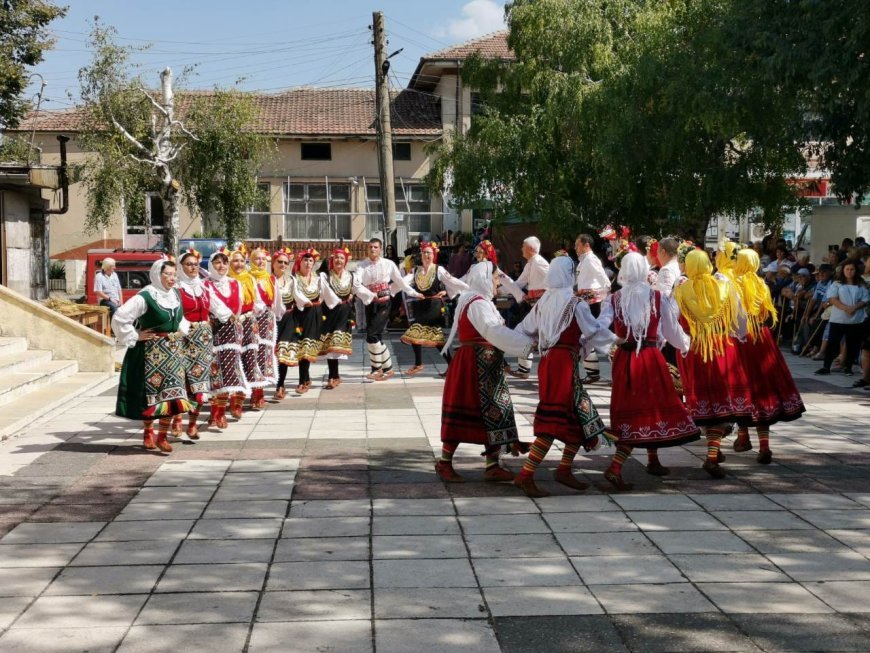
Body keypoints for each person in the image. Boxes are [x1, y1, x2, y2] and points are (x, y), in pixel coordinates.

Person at [511, 256, 615, 497]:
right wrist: (616, 341)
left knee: (576, 415)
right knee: (554, 419)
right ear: (569, 276)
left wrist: (533, 346)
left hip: (547, 363)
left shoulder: (543, 302)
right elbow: (594, 331)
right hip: (563, 365)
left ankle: (565, 468)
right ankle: (526, 474)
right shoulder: (575, 304)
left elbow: (523, 330)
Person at [602, 253, 700, 490]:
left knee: (633, 410)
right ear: (645, 269)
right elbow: (672, 329)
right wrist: (686, 346)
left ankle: (653, 460)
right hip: (649, 359)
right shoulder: (656, 297)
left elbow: (599, 327)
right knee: (647, 410)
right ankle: (615, 467)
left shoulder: (615, 298)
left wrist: (610, 341)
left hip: (625, 360)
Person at [436, 261, 534, 483]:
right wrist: (526, 345)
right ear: (484, 278)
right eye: (496, 277)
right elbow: (494, 331)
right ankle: (444, 463)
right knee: (467, 410)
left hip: (483, 363)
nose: (498, 281)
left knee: (494, 411)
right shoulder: (477, 303)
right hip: (475, 364)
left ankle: (492, 465)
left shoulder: (475, 300)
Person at [674, 249, 754, 479]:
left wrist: (681, 344)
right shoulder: (725, 287)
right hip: (721, 348)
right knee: (721, 404)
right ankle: (712, 454)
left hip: (695, 349)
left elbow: (671, 320)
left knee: (705, 403)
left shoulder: (681, 289)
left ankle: (713, 453)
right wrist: (739, 335)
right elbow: (740, 320)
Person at [730, 249, 806, 463]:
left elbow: (734, 316)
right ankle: (764, 445)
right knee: (763, 389)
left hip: (741, 340)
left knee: (742, 388)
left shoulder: (734, 284)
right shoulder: (761, 284)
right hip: (762, 339)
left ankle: (743, 436)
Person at [113, 258, 192, 453]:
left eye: (174, 274)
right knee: (150, 395)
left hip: (172, 352)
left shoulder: (175, 294)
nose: (172, 278)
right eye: (168, 274)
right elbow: (120, 317)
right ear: (157, 274)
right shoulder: (145, 296)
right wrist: (135, 335)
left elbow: (179, 318)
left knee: (173, 395)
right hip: (150, 353)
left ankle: (162, 436)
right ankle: (148, 432)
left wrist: (185, 332)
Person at [173, 248, 233, 440]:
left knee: (201, 384)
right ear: (181, 267)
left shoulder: (203, 287)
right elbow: (173, 313)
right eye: (189, 264)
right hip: (183, 338)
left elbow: (218, 307)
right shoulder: (176, 289)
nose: (193, 268)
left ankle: (192, 424)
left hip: (203, 340)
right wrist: (185, 327)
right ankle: (176, 420)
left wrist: (231, 316)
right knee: (181, 381)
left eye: (195, 264)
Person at [356, 238, 422, 380]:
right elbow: (356, 283)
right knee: (377, 336)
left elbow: (400, 282)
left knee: (371, 334)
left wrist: (415, 293)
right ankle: (389, 368)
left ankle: (376, 368)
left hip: (385, 302)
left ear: (380, 249)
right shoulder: (362, 265)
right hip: (369, 302)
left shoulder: (388, 264)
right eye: (370, 247)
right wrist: (368, 293)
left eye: (375, 247)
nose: (373, 249)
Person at [400, 241, 467, 375]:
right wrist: (389, 288)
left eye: (429, 253)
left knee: (414, 331)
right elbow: (402, 282)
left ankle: (419, 364)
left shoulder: (439, 269)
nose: (426, 255)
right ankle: (451, 365)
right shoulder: (416, 270)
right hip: (420, 305)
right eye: (424, 252)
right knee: (437, 339)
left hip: (434, 306)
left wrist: (452, 291)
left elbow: (452, 282)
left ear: (434, 254)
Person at [204, 249, 248, 428]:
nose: (221, 266)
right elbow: (212, 306)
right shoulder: (205, 284)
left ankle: (220, 412)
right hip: (213, 329)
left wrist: (235, 321)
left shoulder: (235, 283)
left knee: (229, 369)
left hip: (232, 330)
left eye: (224, 262)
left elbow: (239, 305)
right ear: (211, 265)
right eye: (217, 262)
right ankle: (215, 411)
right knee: (214, 370)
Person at [320, 247, 374, 388]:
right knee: (330, 345)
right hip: (329, 312)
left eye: (341, 258)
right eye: (336, 257)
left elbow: (359, 289)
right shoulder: (326, 276)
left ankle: (333, 376)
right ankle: (334, 376)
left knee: (336, 343)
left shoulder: (351, 276)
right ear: (332, 259)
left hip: (344, 312)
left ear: (345, 261)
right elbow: (323, 292)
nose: (339, 260)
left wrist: (371, 295)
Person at [228, 245, 267, 415]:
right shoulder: (226, 280)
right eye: (235, 261)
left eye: (241, 261)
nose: (239, 264)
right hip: (230, 324)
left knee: (251, 360)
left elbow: (258, 301)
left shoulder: (249, 278)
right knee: (233, 361)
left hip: (248, 321)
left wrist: (253, 314)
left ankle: (254, 394)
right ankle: (235, 401)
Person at [816, 260, 869, 376]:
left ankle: (848, 367)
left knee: (852, 345)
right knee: (832, 343)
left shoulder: (861, 285)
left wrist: (854, 307)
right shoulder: (837, 284)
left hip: (856, 320)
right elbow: (832, 299)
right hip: (839, 319)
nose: (850, 272)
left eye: (852, 269)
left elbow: (865, 299)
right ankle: (826, 366)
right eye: (847, 269)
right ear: (843, 271)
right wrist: (846, 308)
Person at [509, 236, 550, 378]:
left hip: (543, 307)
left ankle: (531, 370)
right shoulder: (530, 264)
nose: (521, 248)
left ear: (531, 249)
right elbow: (518, 284)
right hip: (535, 307)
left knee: (541, 337)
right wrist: (496, 289)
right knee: (524, 333)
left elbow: (554, 280)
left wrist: (545, 297)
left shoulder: (539, 262)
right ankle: (524, 370)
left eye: (523, 246)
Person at [249, 247, 285, 408]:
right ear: (251, 260)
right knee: (251, 354)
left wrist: (276, 317)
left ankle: (260, 393)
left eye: (263, 259)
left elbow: (277, 302)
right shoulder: (247, 278)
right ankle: (250, 392)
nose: (261, 262)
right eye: (257, 259)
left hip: (267, 320)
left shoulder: (271, 279)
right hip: (250, 320)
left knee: (264, 355)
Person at [575, 233, 611, 383]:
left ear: (586, 245)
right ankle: (592, 372)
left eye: (577, 244)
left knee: (592, 336)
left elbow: (603, 277)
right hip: (586, 301)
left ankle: (606, 370)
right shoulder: (584, 260)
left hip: (593, 302)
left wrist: (606, 293)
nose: (575, 248)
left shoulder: (590, 259)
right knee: (588, 337)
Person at [292, 248, 325, 394]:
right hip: (300, 314)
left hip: (315, 313)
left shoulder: (318, 278)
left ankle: (305, 378)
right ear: (300, 261)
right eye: (305, 260)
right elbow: (296, 294)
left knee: (309, 346)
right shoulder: (294, 278)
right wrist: (306, 302)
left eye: (310, 260)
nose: (308, 263)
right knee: (302, 347)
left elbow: (325, 294)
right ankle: (303, 380)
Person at [272, 248, 296, 399]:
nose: (282, 265)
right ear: (273, 263)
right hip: (271, 320)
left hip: (288, 318)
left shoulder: (291, 280)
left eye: (285, 263)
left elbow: (298, 297)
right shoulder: (268, 280)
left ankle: (280, 385)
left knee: (284, 351)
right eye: (279, 262)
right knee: (271, 353)